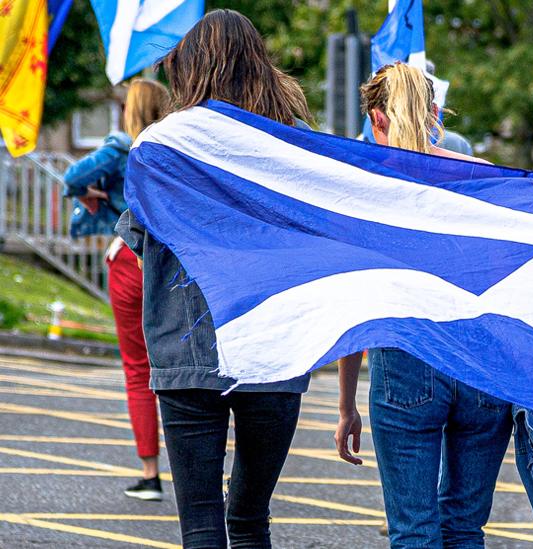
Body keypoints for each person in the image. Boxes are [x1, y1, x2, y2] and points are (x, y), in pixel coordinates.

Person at [115, 10, 313, 548]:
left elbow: (138, 241)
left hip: (186, 347)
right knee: (250, 517)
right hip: (276, 348)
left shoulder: (160, 145)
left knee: (201, 520)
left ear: (192, 66)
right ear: (260, 64)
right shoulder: (295, 144)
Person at [333, 62, 511, 549]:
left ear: (376, 118)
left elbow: (358, 304)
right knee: (464, 527)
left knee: (414, 530)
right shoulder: (487, 178)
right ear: (435, 113)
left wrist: (347, 404)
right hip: (482, 364)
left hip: (406, 362)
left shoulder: (364, 191)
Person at [63, 78, 170, 501]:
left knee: (138, 369)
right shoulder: (171, 149)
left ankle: (150, 474)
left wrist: (97, 195)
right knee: (186, 368)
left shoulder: (121, 147)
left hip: (128, 258)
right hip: (170, 261)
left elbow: (73, 175)